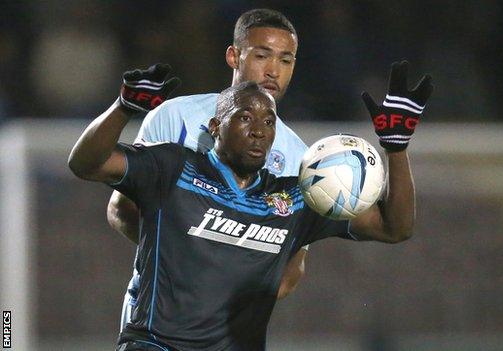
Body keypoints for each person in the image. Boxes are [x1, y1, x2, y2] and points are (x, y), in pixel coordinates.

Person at [68, 59, 432, 350]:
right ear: (214, 126)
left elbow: (395, 227)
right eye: (244, 117)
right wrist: (122, 108)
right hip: (156, 344)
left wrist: (396, 148)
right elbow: (86, 164)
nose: (259, 129)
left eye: (268, 121)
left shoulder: (296, 199)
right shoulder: (173, 168)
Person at [109, 9, 308, 331]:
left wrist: (230, 295)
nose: (273, 70)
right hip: (156, 318)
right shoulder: (176, 116)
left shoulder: (299, 155)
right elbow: (121, 209)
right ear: (234, 56)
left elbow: (292, 265)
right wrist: (183, 266)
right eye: (262, 55)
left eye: (286, 60)